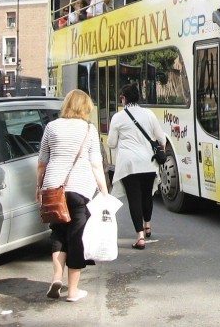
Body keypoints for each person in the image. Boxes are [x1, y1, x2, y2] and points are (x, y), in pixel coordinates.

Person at [37, 89, 109, 303]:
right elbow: (96, 164)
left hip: (53, 188)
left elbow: (42, 162)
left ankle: (57, 277)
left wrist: (38, 187)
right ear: (86, 107)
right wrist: (104, 192)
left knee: (58, 233)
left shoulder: (51, 127)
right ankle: (73, 291)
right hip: (80, 189)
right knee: (76, 237)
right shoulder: (88, 129)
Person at [107, 84, 166, 250]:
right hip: (148, 162)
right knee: (147, 195)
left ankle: (140, 237)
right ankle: (148, 225)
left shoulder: (118, 117)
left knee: (134, 198)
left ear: (124, 99)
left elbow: (111, 143)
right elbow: (161, 138)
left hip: (129, 164)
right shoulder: (149, 114)